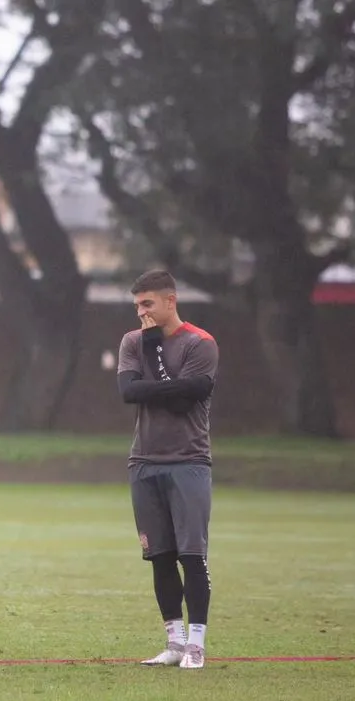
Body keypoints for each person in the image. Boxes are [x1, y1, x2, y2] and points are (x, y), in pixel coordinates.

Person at [116, 269, 219, 670]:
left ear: (170, 301)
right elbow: (128, 392)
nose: (141, 313)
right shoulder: (130, 342)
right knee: (159, 555)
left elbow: (184, 401)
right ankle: (174, 641)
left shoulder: (201, 343)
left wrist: (155, 349)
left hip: (188, 462)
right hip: (143, 463)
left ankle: (196, 645)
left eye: (148, 304)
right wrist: (161, 377)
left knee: (192, 555)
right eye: (137, 305)